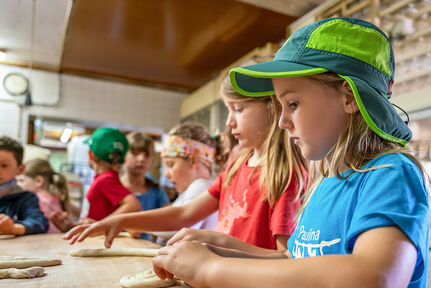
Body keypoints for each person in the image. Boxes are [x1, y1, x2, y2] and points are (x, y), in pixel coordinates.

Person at [150, 18, 431, 288]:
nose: (282, 122)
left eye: (293, 104)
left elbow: (374, 286)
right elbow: (294, 260)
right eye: (280, 106)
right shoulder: (327, 181)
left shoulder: (390, 174)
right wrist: (225, 249)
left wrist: (210, 269)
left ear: (349, 98)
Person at [63, 57, 308, 251]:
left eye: (238, 109)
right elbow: (183, 214)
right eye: (228, 110)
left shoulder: (283, 177)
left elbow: (282, 258)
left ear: (273, 107)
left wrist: (214, 246)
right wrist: (121, 221)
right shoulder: (236, 168)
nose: (230, 122)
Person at [150, 122, 221, 245]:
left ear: (193, 160)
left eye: (171, 165)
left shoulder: (201, 185)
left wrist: (138, 225)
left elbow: (180, 226)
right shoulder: (190, 190)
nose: (166, 174)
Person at [121, 131, 170, 240]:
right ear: (123, 155)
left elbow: (170, 217)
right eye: (135, 153)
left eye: (147, 155)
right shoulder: (113, 188)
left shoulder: (157, 190)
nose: (142, 159)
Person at [0, 136, 48, 235]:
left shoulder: (26, 198)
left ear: (20, 169)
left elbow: (39, 223)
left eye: (4, 166)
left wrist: (14, 228)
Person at [16, 158, 75, 233]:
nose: (17, 184)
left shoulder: (36, 200)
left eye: (21, 181)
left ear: (38, 181)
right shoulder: (56, 198)